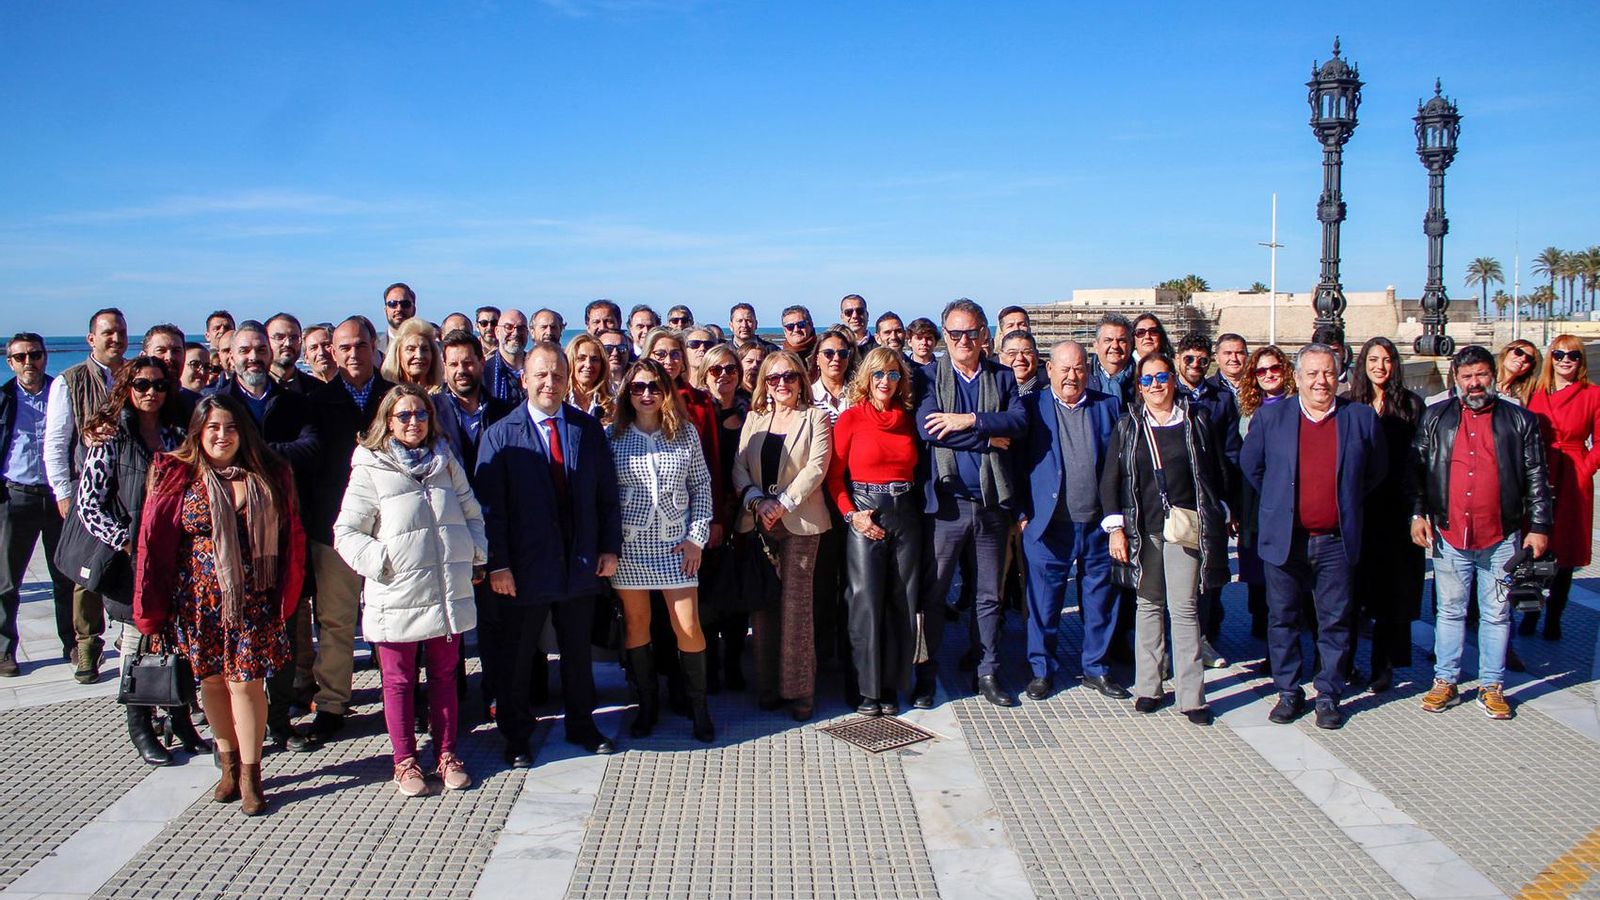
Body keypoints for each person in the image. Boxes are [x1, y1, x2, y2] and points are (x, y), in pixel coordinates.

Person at [132, 394, 306, 816]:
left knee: (245, 684)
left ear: (243, 431)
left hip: (254, 602)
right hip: (196, 602)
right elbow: (152, 542)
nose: (222, 435)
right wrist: (150, 610)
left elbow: (293, 536)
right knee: (210, 682)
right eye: (213, 428)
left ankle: (251, 772)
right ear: (198, 432)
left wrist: (290, 595)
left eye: (230, 427)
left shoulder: (270, 472)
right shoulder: (175, 473)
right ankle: (225, 762)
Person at [334, 385, 486, 796]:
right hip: (396, 592)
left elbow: (471, 510)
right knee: (398, 681)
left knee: (444, 675)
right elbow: (346, 532)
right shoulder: (370, 465)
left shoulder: (443, 459)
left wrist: (474, 553)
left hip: (445, 589)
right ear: (388, 420)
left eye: (420, 414)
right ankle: (404, 761)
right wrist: (383, 562)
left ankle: (446, 754)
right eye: (404, 415)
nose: (414, 422)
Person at [477, 343, 620, 763]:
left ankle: (581, 723)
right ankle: (516, 734)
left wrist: (609, 547)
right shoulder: (500, 435)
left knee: (578, 654)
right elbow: (490, 510)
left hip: (579, 563)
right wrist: (498, 563)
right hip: (523, 568)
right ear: (524, 379)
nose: (549, 383)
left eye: (558, 375)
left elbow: (606, 494)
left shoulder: (586, 429)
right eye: (540, 374)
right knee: (519, 656)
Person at [1242, 344, 1386, 731]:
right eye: (1312, 374)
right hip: (1285, 540)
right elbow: (1253, 467)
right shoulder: (1272, 419)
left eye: (1327, 374)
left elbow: (1374, 471)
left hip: (1336, 541)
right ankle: (1289, 690)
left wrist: (1341, 501)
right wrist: (1281, 502)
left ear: (1337, 376)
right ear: (1298, 377)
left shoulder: (1360, 419)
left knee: (1335, 621)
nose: (1320, 381)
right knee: (1283, 618)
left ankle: (1328, 694)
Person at [1411, 346, 1552, 721]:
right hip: (1450, 532)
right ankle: (1445, 680)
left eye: (1481, 375)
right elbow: (1419, 472)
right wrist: (1417, 515)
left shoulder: (1519, 421)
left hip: (1500, 534)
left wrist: (1538, 528)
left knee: (1496, 613)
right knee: (1450, 611)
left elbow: (1537, 477)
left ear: (1493, 376)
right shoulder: (1436, 418)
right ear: (1456, 380)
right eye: (1467, 377)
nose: (1474, 384)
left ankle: (1492, 685)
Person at [74, 356, 199, 763]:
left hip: (175, 555)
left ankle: (181, 720)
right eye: (142, 385)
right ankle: (140, 725)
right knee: (136, 642)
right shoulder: (110, 438)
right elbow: (89, 504)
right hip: (131, 560)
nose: (151, 393)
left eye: (160, 385)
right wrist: (127, 543)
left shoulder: (175, 433)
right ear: (127, 387)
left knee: (178, 639)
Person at [1101, 353, 1230, 725]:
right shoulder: (1128, 426)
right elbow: (1111, 479)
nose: (1155, 385)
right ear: (1138, 388)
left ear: (1172, 380)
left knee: (1185, 608)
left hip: (1185, 527)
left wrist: (1220, 511)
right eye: (1146, 381)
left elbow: (1216, 470)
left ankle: (1192, 697)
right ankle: (1148, 688)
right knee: (1148, 605)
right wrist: (1116, 529)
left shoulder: (1196, 420)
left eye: (1161, 378)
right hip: (1143, 529)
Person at [913, 298, 1026, 708]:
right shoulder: (926, 378)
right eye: (955, 333)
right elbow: (929, 430)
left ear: (984, 336)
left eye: (971, 332)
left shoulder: (1003, 376)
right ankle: (925, 674)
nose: (963, 340)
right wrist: (986, 437)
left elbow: (1018, 423)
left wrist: (968, 420)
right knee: (934, 593)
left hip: (992, 504)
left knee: (989, 595)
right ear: (945, 337)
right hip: (946, 507)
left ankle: (988, 671)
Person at [215, 321, 322, 744]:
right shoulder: (218, 404)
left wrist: (253, 456)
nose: (254, 357)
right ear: (231, 355)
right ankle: (240, 728)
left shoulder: (295, 401)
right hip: (231, 540)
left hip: (283, 536)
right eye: (245, 350)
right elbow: (207, 457)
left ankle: (279, 721)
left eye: (260, 349)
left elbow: (310, 448)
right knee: (235, 635)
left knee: (285, 631)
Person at [299, 317, 394, 751]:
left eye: (360, 345)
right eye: (344, 347)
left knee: (395, 619)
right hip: (334, 530)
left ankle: (402, 697)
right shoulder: (316, 402)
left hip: (391, 528)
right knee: (335, 621)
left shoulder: (394, 396)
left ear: (375, 347)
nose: (353, 354)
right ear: (332, 353)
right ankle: (333, 704)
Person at [608, 358, 716, 742]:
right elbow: (606, 497)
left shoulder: (685, 434)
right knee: (637, 626)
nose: (647, 394)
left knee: (687, 625)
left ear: (666, 391)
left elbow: (702, 488)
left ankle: (699, 707)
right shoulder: (613, 436)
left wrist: (696, 537)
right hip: (631, 547)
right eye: (638, 387)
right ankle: (646, 706)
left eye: (654, 386)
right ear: (628, 393)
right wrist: (610, 547)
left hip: (676, 546)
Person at [1014, 340, 1126, 701]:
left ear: (1088, 369)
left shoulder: (1108, 407)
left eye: (1078, 368)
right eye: (1064, 369)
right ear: (1049, 370)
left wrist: (1117, 521)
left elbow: (1119, 468)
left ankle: (1096, 668)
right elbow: (1013, 464)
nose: (1071, 376)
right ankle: (1042, 670)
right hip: (1048, 525)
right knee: (1044, 605)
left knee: (1100, 603)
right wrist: (1019, 514)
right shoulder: (1031, 407)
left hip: (1097, 525)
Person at [731, 351, 833, 720]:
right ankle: (768, 686)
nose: (782, 384)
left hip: (800, 523)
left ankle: (799, 690)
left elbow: (817, 467)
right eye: (773, 378)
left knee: (796, 608)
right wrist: (758, 502)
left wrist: (782, 504)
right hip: (759, 524)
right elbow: (739, 466)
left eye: (789, 376)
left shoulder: (815, 418)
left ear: (801, 379)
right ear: (764, 384)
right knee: (763, 608)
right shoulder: (755, 419)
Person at [827, 348, 921, 714]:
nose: (886, 381)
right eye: (879, 374)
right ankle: (865, 689)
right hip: (866, 513)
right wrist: (853, 516)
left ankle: (890, 686)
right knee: (865, 602)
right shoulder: (850, 419)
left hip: (906, 515)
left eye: (894, 375)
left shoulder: (909, 419)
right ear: (867, 377)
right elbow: (834, 479)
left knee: (902, 602)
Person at [45, 308, 128, 681]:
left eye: (122, 332)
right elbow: (56, 442)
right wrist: (63, 493)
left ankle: (125, 633)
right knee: (85, 572)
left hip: (128, 489)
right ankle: (86, 644)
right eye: (108, 332)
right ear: (91, 338)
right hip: (88, 489)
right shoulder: (70, 380)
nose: (116, 338)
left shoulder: (134, 375)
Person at [1347, 337, 1425, 694]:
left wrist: (1419, 511)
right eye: (1374, 359)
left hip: (1396, 511)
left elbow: (1420, 462)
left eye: (1388, 360)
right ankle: (1345, 664)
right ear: (1363, 363)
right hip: (1357, 509)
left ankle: (1383, 666)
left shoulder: (1410, 405)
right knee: (1351, 590)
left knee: (1391, 596)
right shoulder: (1348, 403)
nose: (1381, 366)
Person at [0, 334, 76, 675]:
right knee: (7, 580)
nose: (29, 362)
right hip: (17, 495)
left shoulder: (62, 392)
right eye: (20, 357)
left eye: (35, 355)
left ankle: (73, 643)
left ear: (45, 357)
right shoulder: (4, 398)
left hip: (59, 495)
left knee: (65, 574)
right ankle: (4, 649)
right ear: (10, 362)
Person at [1522, 335, 1600, 641]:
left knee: (1564, 551)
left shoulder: (1592, 394)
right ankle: (1530, 612)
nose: (1565, 360)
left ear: (1582, 361)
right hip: (1538, 472)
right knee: (1533, 546)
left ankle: (1555, 617)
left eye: (1573, 355)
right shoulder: (1535, 392)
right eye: (1559, 354)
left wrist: (1585, 466)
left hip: (1572, 476)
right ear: (1550, 358)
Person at [1173, 332, 1239, 667]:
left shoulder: (1222, 398)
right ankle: (1174, 645)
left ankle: (1205, 640)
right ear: (1178, 359)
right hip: (1175, 495)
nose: (1196, 365)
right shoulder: (1167, 392)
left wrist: (1229, 502)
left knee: (1209, 574)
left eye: (1202, 360)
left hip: (1210, 494)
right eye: (1190, 359)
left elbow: (1229, 453)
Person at [698, 343, 750, 692]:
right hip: (707, 514)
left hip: (744, 512)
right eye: (716, 370)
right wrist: (712, 516)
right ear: (704, 375)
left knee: (738, 592)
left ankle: (733, 662)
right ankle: (709, 666)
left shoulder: (753, 410)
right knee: (707, 595)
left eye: (730, 369)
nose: (724, 376)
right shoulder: (696, 412)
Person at [1236, 344, 1296, 638]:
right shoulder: (1250, 408)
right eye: (1261, 370)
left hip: (1290, 497)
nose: (1269, 375)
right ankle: (1262, 626)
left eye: (1275, 368)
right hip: (1256, 498)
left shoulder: (1299, 404)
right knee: (1257, 565)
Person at [381, 318, 444, 392]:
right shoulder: (384, 394)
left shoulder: (444, 398)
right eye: (411, 349)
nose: (419, 355)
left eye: (425, 349)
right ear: (398, 354)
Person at [265, 313, 320, 395]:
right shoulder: (252, 388)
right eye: (279, 337)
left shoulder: (318, 390)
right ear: (265, 341)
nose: (288, 343)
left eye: (294, 338)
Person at [812, 327, 856, 423]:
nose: (836, 358)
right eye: (828, 353)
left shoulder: (860, 394)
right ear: (817, 359)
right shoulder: (808, 397)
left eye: (842, 353)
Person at [566, 333, 614, 421]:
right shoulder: (560, 401)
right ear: (570, 362)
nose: (588, 364)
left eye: (594, 359)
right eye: (581, 358)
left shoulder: (612, 404)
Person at [484, 309, 528, 405]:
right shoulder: (484, 373)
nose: (515, 333)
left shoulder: (537, 369)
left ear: (527, 333)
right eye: (508, 327)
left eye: (521, 328)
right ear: (497, 332)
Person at [1088, 313, 1135, 404]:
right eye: (1108, 340)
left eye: (1121, 341)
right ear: (1096, 346)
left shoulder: (1143, 380)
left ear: (1130, 345)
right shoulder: (1082, 380)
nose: (1115, 346)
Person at [377, 282, 418, 357]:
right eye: (392, 304)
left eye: (405, 304)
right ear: (386, 310)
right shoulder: (374, 348)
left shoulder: (429, 347)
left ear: (414, 310)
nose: (399, 309)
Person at [1496, 340, 1541, 405]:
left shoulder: (1523, 396)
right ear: (1506, 352)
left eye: (1529, 358)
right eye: (1519, 352)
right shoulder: (1484, 381)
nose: (1523, 359)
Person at [999, 331, 1041, 395]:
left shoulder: (1053, 392)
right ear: (1001, 357)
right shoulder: (990, 391)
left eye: (1027, 353)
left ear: (1037, 356)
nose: (1020, 358)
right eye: (1012, 353)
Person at [780, 305, 818, 371]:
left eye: (801, 324)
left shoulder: (823, 354)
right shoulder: (779, 359)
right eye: (790, 326)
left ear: (811, 325)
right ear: (785, 331)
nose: (796, 330)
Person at [1211, 333, 1250, 398]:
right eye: (1228, 353)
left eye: (1239, 353)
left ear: (1246, 356)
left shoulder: (1260, 386)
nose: (1234, 358)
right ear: (1217, 358)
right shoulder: (1207, 389)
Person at [597, 328, 632, 397]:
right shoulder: (592, 386)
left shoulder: (638, 384)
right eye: (608, 348)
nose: (615, 353)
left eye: (621, 348)